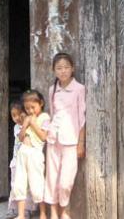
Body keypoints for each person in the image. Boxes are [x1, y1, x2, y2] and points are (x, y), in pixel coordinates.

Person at [44, 53, 86, 219]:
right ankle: (54, 212)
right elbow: (53, 114)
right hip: (53, 140)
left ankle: (65, 209)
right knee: (52, 178)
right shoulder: (52, 89)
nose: (63, 71)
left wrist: (81, 143)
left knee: (66, 182)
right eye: (59, 68)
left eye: (66, 67)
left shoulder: (79, 89)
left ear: (72, 68)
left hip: (71, 141)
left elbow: (82, 118)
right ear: (54, 70)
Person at [13, 90, 50, 219]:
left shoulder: (45, 118)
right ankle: (21, 214)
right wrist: (24, 125)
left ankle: (43, 213)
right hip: (23, 151)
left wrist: (33, 123)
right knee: (19, 182)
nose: (30, 111)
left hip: (35, 154)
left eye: (33, 107)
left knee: (37, 182)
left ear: (41, 104)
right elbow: (21, 138)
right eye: (27, 108)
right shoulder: (27, 118)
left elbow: (43, 137)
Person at [7, 102, 35, 218]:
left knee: (27, 187)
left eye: (20, 114)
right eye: (13, 115)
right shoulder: (16, 128)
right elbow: (21, 137)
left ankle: (27, 210)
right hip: (16, 162)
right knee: (15, 186)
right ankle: (13, 208)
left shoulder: (32, 126)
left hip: (27, 163)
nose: (17, 118)